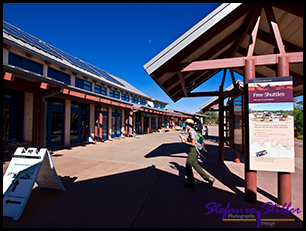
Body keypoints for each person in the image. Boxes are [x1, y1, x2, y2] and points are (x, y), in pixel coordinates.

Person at [180, 119, 215, 189]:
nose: (185, 125)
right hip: (194, 150)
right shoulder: (191, 131)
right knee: (196, 165)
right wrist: (185, 139)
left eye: (186, 124)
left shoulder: (192, 132)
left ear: (189, 125)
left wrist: (185, 142)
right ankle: (209, 179)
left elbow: (193, 144)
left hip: (193, 150)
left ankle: (191, 183)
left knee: (188, 165)